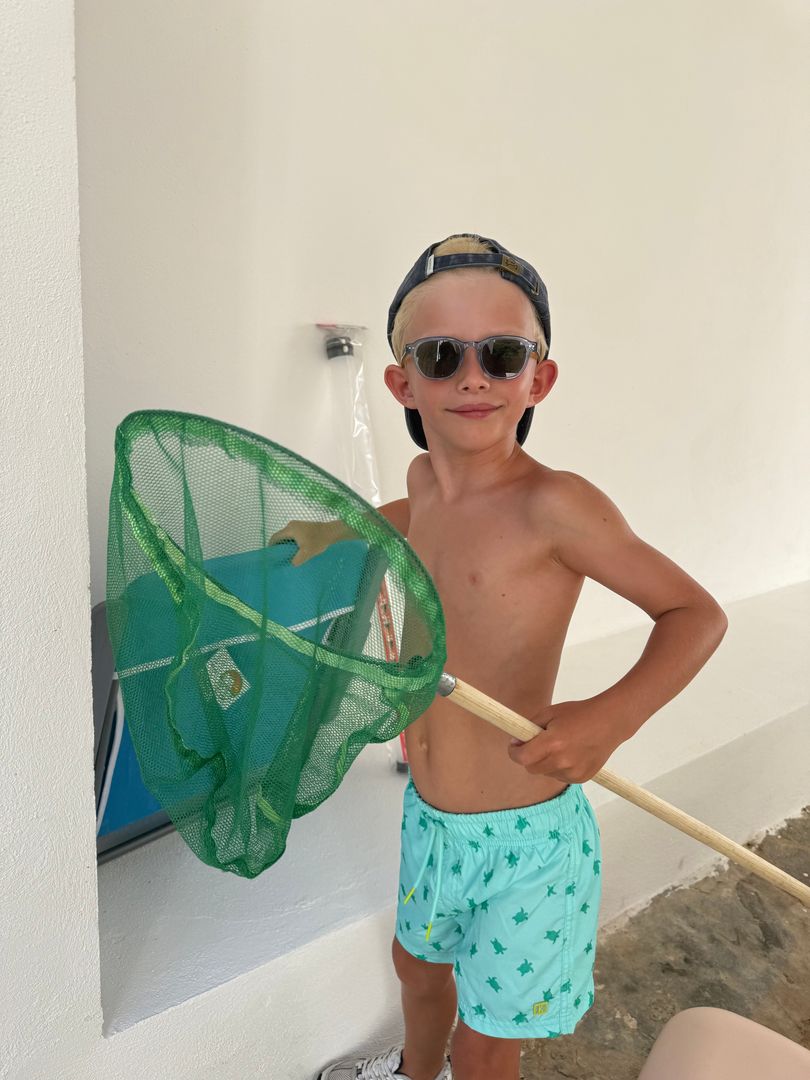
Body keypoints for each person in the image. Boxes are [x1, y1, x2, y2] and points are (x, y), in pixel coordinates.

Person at [312, 233, 728, 1080]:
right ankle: (412, 1074)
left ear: (539, 378)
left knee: (487, 1042)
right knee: (417, 971)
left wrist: (610, 719)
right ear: (402, 383)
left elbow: (696, 615)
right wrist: (334, 531)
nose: (473, 377)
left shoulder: (555, 505)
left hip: (527, 843)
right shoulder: (422, 482)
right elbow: (406, 514)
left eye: (502, 355)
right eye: (442, 356)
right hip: (432, 819)